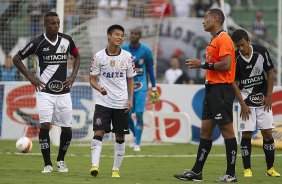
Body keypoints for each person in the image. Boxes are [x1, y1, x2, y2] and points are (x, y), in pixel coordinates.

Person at [174, 9, 238, 182]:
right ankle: (197, 172)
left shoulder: (224, 38)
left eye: (206, 18)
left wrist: (202, 64)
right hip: (211, 90)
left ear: (216, 19)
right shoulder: (215, 39)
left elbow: (226, 65)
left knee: (227, 130)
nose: (203, 21)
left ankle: (231, 174)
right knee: (205, 131)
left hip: (221, 90)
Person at [13, 12, 80, 173]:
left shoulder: (67, 40)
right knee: (45, 125)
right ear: (45, 24)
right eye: (52, 23)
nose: (56, 25)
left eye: (58, 23)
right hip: (45, 93)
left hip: (63, 93)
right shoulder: (37, 42)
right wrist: (30, 77)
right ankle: (47, 164)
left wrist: (73, 76)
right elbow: (16, 58)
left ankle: (61, 160)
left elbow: (77, 56)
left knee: (67, 129)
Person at [231, 29, 280, 177]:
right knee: (246, 134)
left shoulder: (261, 51)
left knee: (267, 132)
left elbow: (271, 72)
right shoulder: (235, 57)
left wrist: (269, 95)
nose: (241, 48)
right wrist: (242, 104)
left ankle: (270, 169)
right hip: (246, 100)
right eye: (238, 46)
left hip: (263, 99)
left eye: (243, 45)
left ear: (248, 40)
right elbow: (233, 81)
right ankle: (247, 169)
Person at [89, 24, 136, 178]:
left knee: (120, 136)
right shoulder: (98, 56)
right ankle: (94, 166)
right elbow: (92, 79)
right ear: (108, 36)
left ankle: (115, 169)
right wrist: (99, 88)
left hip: (121, 102)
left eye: (122, 35)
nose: (120, 38)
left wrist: (130, 99)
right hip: (103, 102)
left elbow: (130, 79)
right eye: (117, 34)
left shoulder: (128, 56)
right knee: (99, 132)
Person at [122, 28, 159, 151]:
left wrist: (153, 87)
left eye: (135, 34)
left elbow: (150, 70)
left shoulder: (146, 51)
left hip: (141, 86)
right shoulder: (123, 49)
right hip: (126, 86)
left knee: (139, 114)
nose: (132, 35)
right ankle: (134, 134)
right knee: (126, 114)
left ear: (140, 36)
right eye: (131, 33)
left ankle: (137, 143)